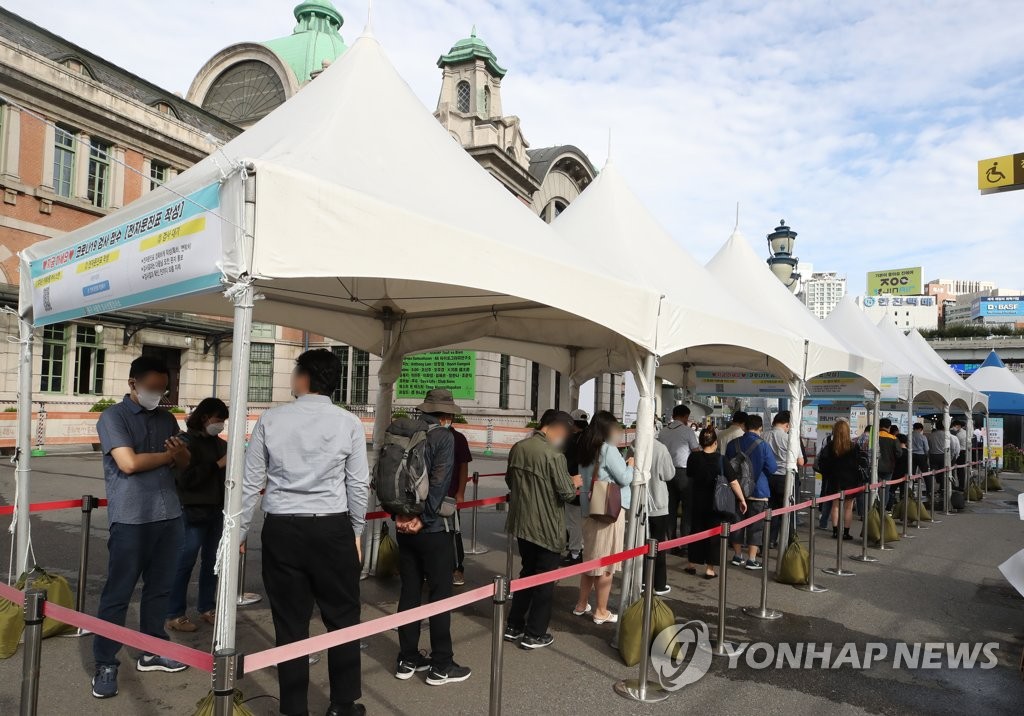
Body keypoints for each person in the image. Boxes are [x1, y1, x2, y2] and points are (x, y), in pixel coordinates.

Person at [242, 349, 369, 716]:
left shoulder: (271, 418)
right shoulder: (347, 422)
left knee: (289, 621)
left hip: (282, 528)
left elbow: (250, 483)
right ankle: (343, 704)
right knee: (343, 617)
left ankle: (294, 707)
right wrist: (356, 530)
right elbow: (358, 485)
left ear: (304, 377)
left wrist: (237, 535)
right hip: (332, 527)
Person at [90, 356, 191, 700]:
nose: (157, 393)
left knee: (160, 589)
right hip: (131, 519)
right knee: (117, 595)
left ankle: (152, 649)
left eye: (162, 388)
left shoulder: (166, 419)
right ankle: (105, 662)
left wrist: (179, 455)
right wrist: (168, 457)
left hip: (169, 514)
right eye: (151, 387)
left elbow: (185, 460)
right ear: (133, 384)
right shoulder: (112, 417)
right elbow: (128, 463)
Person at [392, 389, 472, 686]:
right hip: (431, 529)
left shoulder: (402, 431)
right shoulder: (444, 437)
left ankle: (407, 658)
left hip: (403, 526)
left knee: (409, 592)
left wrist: (401, 517)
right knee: (440, 595)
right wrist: (423, 521)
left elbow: (389, 478)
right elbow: (438, 485)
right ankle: (441, 664)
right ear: (447, 415)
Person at [504, 411, 583, 649]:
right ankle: (535, 633)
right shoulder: (554, 456)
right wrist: (575, 482)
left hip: (521, 523)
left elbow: (510, 481)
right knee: (545, 580)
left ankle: (513, 626)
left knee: (527, 573)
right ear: (557, 428)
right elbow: (567, 493)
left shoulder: (519, 447)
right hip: (546, 525)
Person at [166, 398, 229, 633]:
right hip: (191, 510)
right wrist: (218, 465)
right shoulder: (185, 441)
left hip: (216, 510)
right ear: (204, 417)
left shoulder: (220, 444)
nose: (221, 425)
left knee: (212, 563)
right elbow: (186, 479)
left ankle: (207, 607)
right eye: (218, 420)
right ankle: (175, 613)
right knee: (184, 562)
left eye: (223, 421)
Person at [574, 411, 633, 624]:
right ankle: (601, 610)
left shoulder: (586, 446)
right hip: (608, 512)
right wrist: (632, 464)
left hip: (588, 508)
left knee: (589, 559)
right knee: (606, 563)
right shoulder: (608, 449)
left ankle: (581, 604)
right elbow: (625, 478)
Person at [687, 427, 745, 578]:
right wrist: (741, 499)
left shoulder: (693, 457)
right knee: (714, 536)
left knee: (696, 530)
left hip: (697, 500)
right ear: (715, 443)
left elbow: (690, 475)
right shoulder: (721, 459)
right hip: (716, 502)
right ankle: (709, 568)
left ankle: (692, 563)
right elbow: (733, 482)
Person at [725, 415, 777, 570]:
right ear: (760, 428)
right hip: (758, 490)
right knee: (756, 525)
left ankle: (737, 555)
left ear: (744, 427)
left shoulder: (732, 443)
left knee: (737, 522)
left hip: (736, 489)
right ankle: (752, 559)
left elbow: (727, 466)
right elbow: (772, 468)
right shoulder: (763, 445)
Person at [657, 405, 699, 541]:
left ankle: (670, 539)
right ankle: (685, 541)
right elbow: (695, 451)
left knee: (670, 508)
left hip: (666, 472)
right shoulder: (687, 431)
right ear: (685, 416)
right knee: (687, 508)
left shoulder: (662, 432)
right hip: (684, 473)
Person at [642, 430, 677, 594]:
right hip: (658, 503)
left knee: (641, 545)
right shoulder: (661, 449)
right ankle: (659, 584)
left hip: (640, 505)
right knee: (659, 545)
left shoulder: (635, 446)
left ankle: (642, 581)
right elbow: (669, 474)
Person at [817, 419, 863, 540]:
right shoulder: (854, 446)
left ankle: (835, 532)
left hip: (834, 480)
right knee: (848, 507)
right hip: (851, 481)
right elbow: (858, 463)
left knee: (835, 506)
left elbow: (823, 463)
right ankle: (846, 532)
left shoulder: (830, 446)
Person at [765, 411, 804, 546]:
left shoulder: (765, 435)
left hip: (769, 477)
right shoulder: (791, 438)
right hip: (786, 478)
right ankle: (789, 541)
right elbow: (800, 462)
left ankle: (770, 540)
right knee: (789, 511)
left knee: (772, 510)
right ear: (787, 425)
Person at [562, 409, 589, 565]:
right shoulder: (592, 439)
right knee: (584, 520)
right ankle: (582, 549)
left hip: (573, 483)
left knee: (573, 522)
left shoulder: (570, 440)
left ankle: (574, 553)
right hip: (589, 486)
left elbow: (565, 462)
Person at [449, 421, 472, 587]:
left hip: (450, 496)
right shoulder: (425, 435)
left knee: (454, 532)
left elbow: (464, 467)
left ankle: (457, 568)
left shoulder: (458, 438)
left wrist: (460, 493)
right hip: (428, 496)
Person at [877, 418, 903, 508]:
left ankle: (872, 509)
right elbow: (899, 453)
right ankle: (882, 509)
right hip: (889, 467)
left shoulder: (874, 436)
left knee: (873, 489)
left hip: (875, 467)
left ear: (879, 425)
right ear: (889, 427)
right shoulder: (893, 438)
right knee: (885, 490)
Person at [951, 420, 969, 491]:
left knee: (960, 471)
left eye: (954, 426)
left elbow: (956, 446)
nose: (953, 427)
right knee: (961, 470)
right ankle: (961, 485)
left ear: (958, 426)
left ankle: (961, 486)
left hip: (960, 453)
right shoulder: (965, 432)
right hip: (964, 452)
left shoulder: (959, 435)